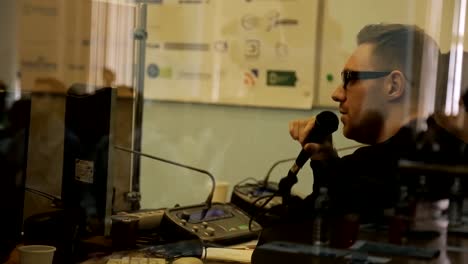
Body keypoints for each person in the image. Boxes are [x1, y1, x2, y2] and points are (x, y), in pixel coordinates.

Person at [288, 23, 467, 223]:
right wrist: (326, 161)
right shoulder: (452, 153)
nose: (337, 94)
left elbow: (295, 229)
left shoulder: (372, 171)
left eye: (350, 78)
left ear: (393, 86)